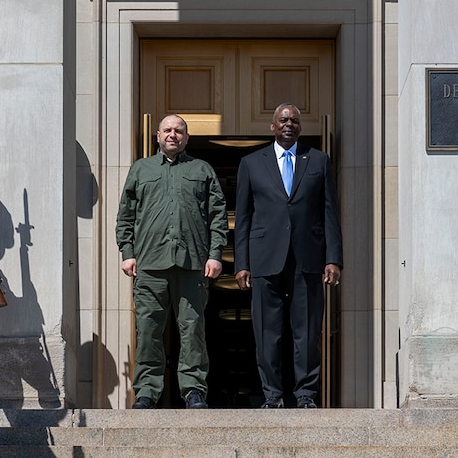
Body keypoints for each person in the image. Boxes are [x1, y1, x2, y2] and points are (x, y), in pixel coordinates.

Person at [116, 113, 228, 409]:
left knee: (192, 329)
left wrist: (215, 255)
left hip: (192, 265)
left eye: (179, 131)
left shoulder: (201, 169)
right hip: (150, 265)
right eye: (167, 130)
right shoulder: (141, 169)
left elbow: (218, 216)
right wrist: (127, 253)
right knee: (149, 329)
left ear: (187, 138)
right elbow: (125, 216)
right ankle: (147, 392)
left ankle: (193, 390)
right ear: (157, 135)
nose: (173, 135)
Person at [234, 103, 343, 408]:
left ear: (300, 127)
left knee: (306, 332)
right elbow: (243, 218)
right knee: (268, 333)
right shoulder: (252, 163)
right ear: (272, 126)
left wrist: (333, 258)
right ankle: (272, 396)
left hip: (307, 258)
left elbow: (329, 213)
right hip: (264, 259)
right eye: (283, 120)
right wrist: (241, 263)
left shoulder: (319, 161)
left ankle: (306, 395)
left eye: (294, 121)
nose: (289, 125)